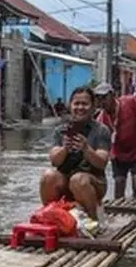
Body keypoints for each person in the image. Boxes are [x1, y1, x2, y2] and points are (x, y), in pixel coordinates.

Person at [40, 86, 112, 221]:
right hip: (66, 181)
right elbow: (55, 161)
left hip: (93, 183)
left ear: (92, 107)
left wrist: (86, 148)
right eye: (76, 103)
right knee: (48, 176)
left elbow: (102, 163)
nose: (80, 107)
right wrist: (65, 149)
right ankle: (51, 217)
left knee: (78, 179)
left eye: (85, 104)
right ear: (70, 106)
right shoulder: (60, 130)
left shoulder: (101, 130)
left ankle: (93, 220)